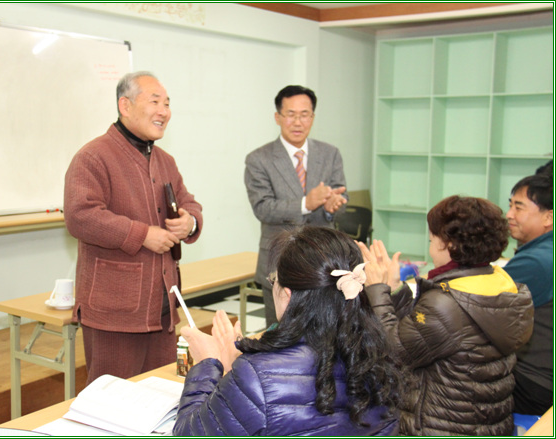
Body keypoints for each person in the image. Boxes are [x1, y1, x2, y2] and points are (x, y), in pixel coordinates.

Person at [173, 226, 404, 436]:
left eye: (273, 279)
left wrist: (207, 364)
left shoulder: (256, 377)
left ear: (288, 295)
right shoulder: (381, 355)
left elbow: (188, 432)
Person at [64, 71, 203, 384]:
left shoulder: (165, 160)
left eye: (167, 103)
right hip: (115, 312)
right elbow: (80, 216)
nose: (164, 111)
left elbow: (190, 204)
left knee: (166, 391)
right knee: (112, 400)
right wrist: (143, 235)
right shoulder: (92, 157)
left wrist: (189, 221)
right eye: (155, 102)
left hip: (164, 308)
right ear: (125, 106)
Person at [358, 195, 534, 436]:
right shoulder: (496, 285)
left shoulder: (447, 303)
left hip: (440, 426)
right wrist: (396, 289)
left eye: (432, 240)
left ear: (450, 245)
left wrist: (376, 290)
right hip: (486, 423)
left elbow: (392, 352)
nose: (430, 248)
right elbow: (423, 332)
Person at [244, 85, 348, 327]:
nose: (298, 122)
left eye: (305, 115)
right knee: (280, 334)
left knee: (326, 332)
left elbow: (342, 198)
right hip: (280, 263)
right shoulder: (259, 159)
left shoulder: (330, 153)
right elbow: (262, 208)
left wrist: (333, 206)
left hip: (323, 262)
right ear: (278, 117)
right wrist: (305, 203)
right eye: (291, 114)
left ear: (312, 117)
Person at [505, 172, 553, 415]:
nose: (509, 214)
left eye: (519, 207)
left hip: (534, 382)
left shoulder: (536, 261)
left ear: (548, 217)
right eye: (510, 205)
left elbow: (479, 307)